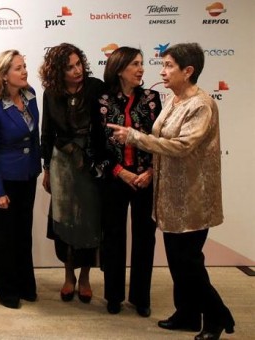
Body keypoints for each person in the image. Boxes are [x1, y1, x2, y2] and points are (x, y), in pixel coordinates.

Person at [108, 42, 235, 340]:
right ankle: (188, 314)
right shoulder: (174, 99)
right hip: (169, 197)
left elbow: (181, 146)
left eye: (168, 66)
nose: (161, 72)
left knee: (189, 263)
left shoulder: (200, 104)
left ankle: (217, 316)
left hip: (193, 198)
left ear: (188, 71)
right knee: (178, 262)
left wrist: (135, 137)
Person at [39, 43, 106, 304]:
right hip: (60, 163)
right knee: (64, 220)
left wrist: (96, 160)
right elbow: (47, 132)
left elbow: (102, 131)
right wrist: (46, 169)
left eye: (79, 64)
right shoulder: (51, 93)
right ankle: (68, 276)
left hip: (89, 163)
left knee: (89, 221)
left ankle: (86, 277)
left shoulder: (96, 87)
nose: (77, 70)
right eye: (69, 67)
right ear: (58, 71)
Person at [98, 47, 161, 317]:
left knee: (145, 239)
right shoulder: (101, 100)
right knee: (113, 238)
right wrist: (120, 172)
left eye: (142, 63)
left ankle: (140, 297)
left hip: (146, 179)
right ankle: (113, 296)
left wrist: (150, 172)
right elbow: (96, 146)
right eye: (135, 64)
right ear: (119, 68)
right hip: (114, 178)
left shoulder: (152, 98)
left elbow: (160, 142)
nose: (141, 69)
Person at [0, 50, 41, 309]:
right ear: (4, 75)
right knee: (5, 238)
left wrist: (39, 169)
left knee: (23, 234)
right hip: (4, 180)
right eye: (18, 68)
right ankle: (7, 290)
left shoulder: (30, 96)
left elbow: (34, 137)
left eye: (24, 66)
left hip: (28, 176)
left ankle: (26, 284)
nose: (24, 71)